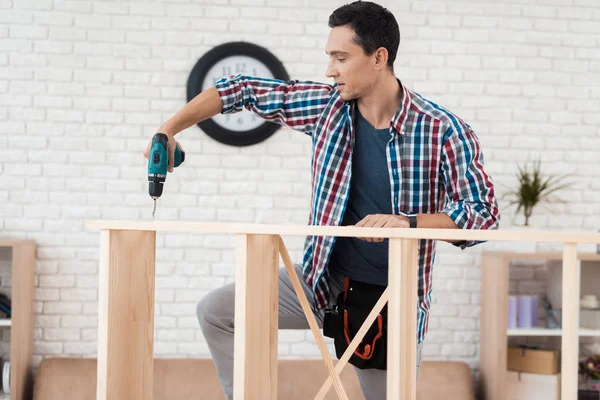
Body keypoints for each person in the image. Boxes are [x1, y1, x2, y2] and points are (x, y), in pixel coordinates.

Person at [144, 2, 500, 399]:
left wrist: (408, 223)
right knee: (216, 312)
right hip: (318, 281)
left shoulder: (443, 131)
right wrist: (168, 128)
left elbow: (483, 215)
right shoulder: (326, 106)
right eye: (329, 57)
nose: (330, 69)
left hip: (389, 303)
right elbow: (240, 89)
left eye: (341, 58)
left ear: (379, 57)